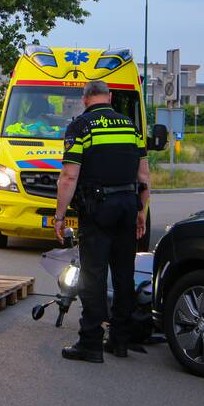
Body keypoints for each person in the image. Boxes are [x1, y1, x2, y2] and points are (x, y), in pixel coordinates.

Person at [53, 80, 150, 363]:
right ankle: (119, 340)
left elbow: (70, 176)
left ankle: (90, 342)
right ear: (109, 97)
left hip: (97, 210)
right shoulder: (130, 126)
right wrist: (141, 212)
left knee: (93, 277)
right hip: (128, 208)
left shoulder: (81, 127)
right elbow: (143, 176)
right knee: (123, 275)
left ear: (85, 100)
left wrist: (59, 216)